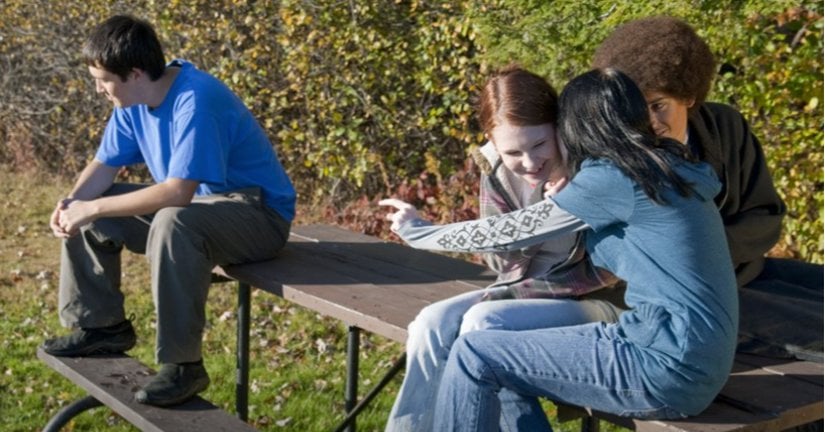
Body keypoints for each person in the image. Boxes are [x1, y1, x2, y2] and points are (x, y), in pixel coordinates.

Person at [385, 68, 738, 431]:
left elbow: (505, 232)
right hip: (675, 349)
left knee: (473, 355)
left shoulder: (611, 177)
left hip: (664, 363)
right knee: (493, 349)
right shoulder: (662, 163)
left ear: (573, 125)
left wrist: (419, 233)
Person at [40, 15, 296, 407]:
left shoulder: (197, 99)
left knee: (171, 220)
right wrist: (72, 205)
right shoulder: (133, 101)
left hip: (258, 216)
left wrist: (90, 206)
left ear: (136, 73)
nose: (98, 89)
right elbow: (105, 166)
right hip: (199, 212)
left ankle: (184, 366)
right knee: (97, 213)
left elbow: (178, 193)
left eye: (104, 80)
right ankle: (100, 327)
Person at [380, 66, 622, 432]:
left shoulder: (589, 164)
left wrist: (576, 207)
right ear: (494, 143)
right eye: (513, 151)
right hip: (524, 292)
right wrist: (537, 223)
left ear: (557, 126)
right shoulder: (495, 170)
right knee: (431, 324)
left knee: (483, 326)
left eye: (540, 144)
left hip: (599, 301)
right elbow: (496, 257)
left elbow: (618, 255)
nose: (529, 162)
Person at [591, 15, 822, 363]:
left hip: (747, 268)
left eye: (658, 105)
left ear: (689, 95)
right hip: (683, 299)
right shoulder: (613, 154)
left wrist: (712, 250)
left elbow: (766, 215)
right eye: (636, 109)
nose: (649, 122)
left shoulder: (726, 126)